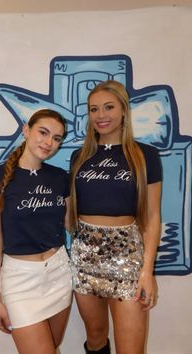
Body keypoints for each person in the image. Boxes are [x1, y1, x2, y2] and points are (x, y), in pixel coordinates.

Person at [69, 80, 162, 354]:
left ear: (124, 110)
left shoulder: (146, 155)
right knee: (96, 339)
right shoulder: (80, 156)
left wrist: (147, 271)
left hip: (127, 257)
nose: (101, 115)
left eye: (108, 107)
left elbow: (153, 216)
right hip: (84, 254)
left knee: (131, 348)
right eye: (94, 109)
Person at [0, 109, 72, 354]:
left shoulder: (60, 178)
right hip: (19, 280)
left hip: (59, 273)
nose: (49, 142)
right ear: (26, 130)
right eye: (43, 132)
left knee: (53, 346)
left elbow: (71, 224)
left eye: (57, 138)